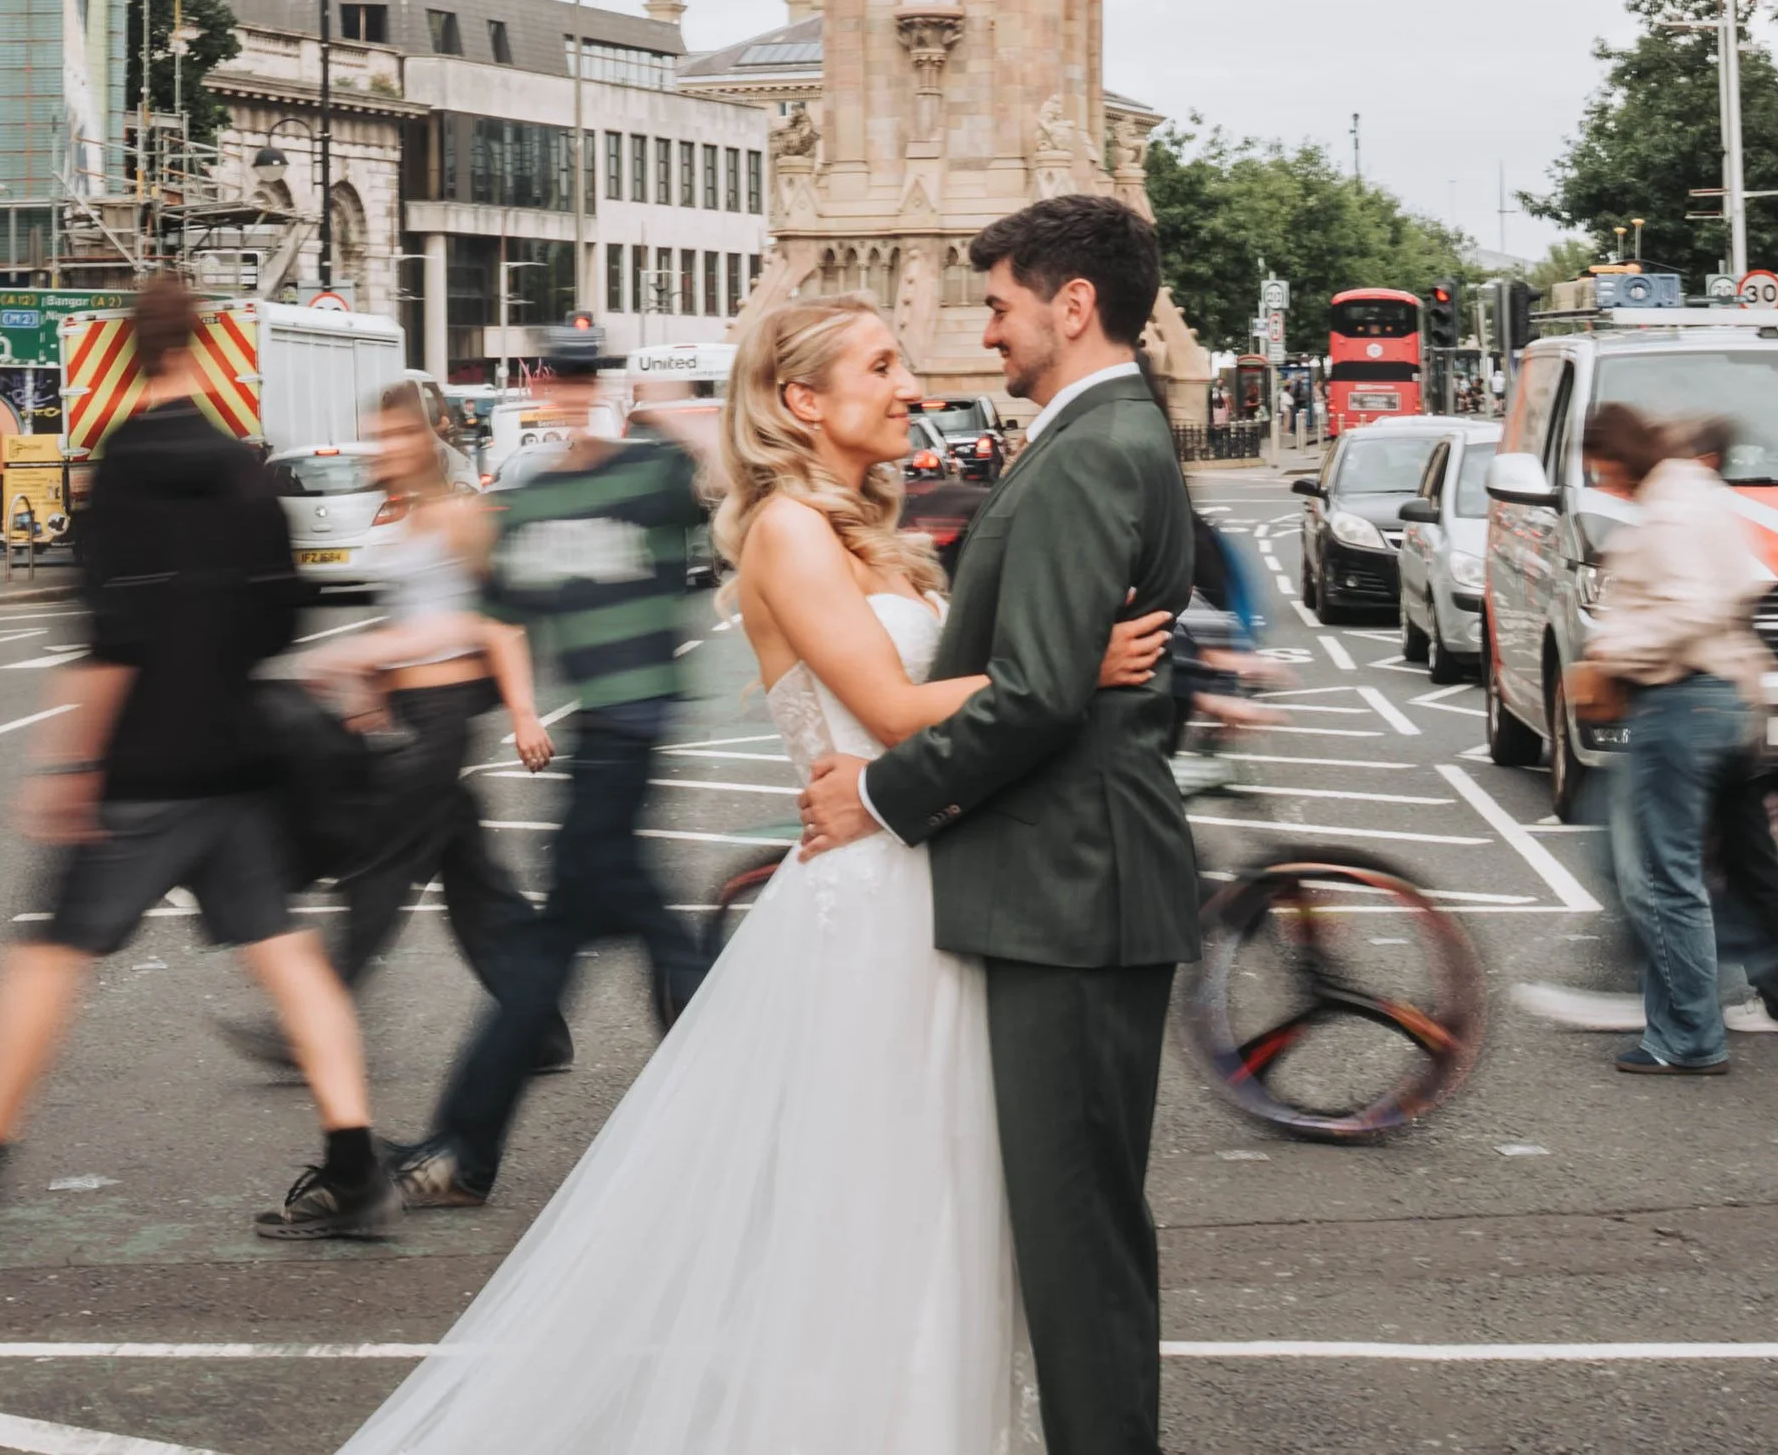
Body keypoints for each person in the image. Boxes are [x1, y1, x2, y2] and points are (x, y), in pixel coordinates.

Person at [332, 295, 1168, 1455]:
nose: (911, 383)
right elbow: (882, 708)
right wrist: (1069, 669)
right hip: (871, 914)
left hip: (918, 884)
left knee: (933, 1221)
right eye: (881, 364)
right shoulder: (786, 527)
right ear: (801, 400)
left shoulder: (872, 525)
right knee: (871, 1224)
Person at [0, 270, 393, 1248]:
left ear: (127, 353)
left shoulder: (119, 472)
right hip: (238, 761)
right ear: (202, 350)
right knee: (285, 954)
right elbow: (283, 614)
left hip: (140, 770)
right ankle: (356, 1164)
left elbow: (109, 637)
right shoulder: (246, 469)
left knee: (49, 957)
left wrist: (65, 766)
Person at [801, 192, 1199, 1455]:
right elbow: (1061, 670)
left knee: (1073, 1232)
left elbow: (1033, 691)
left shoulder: (1090, 448)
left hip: (1068, 889)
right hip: (1068, 879)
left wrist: (874, 795)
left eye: (999, 302)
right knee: (1071, 1220)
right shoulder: (1101, 434)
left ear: (1072, 304)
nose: (988, 327)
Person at [376, 327, 709, 1212]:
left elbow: (733, 483)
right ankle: (466, 1148)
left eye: (579, 376)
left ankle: (464, 1150)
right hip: (602, 739)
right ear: (534, 385)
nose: (564, 390)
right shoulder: (530, 505)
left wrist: (671, 414)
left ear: (598, 385)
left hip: (631, 740)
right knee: (579, 947)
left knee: (570, 950)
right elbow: (493, 617)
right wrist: (384, 657)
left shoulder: (646, 475)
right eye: (552, 376)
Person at [216, 379, 556, 1075]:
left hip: (443, 720)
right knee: (475, 883)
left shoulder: (461, 516)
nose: (392, 447)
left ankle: (309, 1023)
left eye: (404, 433)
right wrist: (373, 683)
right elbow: (408, 620)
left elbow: (501, 618)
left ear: (433, 435)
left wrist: (523, 711)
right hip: (411, 714)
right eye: (384, 434)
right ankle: (539, 1025)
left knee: (376, 870)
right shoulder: (400, 518)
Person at [1563, 398, 1771, 1075]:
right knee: (1663, 870)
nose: (1608, 486)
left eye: (1607, 471)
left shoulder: (1674, 507)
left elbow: (1695, 601)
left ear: (1623, 457)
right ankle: (1678, 1024)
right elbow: (1747, 575)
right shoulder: (1692, 489)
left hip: (1681, 700)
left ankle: (1689, 1035)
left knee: (1659, 878)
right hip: (1714, 697)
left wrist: (1615, 651)